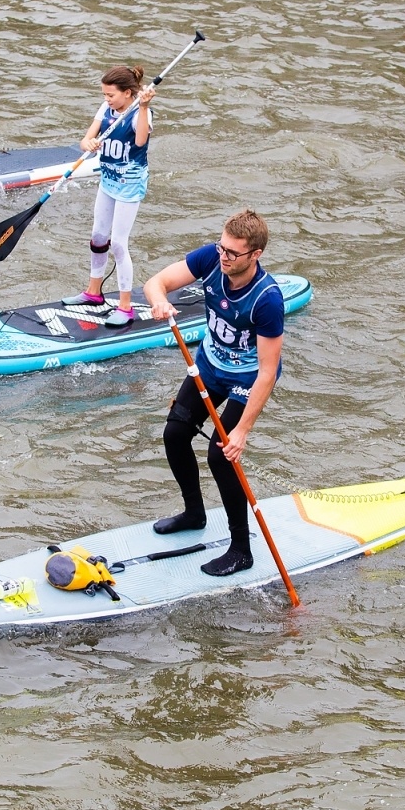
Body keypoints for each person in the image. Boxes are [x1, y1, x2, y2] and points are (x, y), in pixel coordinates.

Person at [143, 210, 285, 577]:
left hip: (247, 378)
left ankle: (241, 550)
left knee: (221, 456)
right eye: (222, 248)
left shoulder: (267, 300)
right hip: (209, 365)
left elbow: (268, 372)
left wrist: (242, 432)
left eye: (233, 254)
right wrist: (159, 300)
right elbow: (156, 282)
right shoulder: (211, 258)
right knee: (175, 434)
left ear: (255, 255)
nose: (223, 257)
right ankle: (194, 513)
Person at [69, 66, 155, 327]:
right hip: (107, 182)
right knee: (97, 238)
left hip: (130, 185)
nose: (106, 99)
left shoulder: (142, 112)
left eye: (111, 95)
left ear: (127, 93)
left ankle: (125, 306)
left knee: (118, 243)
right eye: (104, 95)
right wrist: (90, 144)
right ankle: (93, 293)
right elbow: (86, 140)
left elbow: (140, 141)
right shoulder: (105, 109)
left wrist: (142, 107)